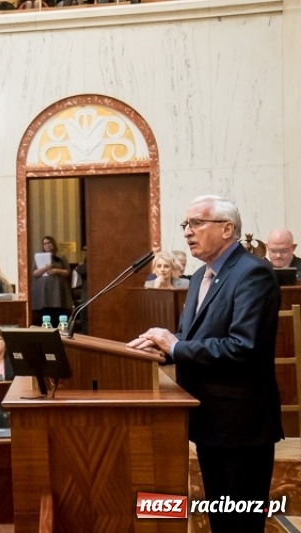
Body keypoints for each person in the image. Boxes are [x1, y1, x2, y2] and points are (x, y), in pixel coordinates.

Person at [127, 195, 282, 533]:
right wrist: (159, 349)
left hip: (242, 425)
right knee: (221, 521)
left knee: (241, 524)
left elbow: (243, 347)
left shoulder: (253, 273)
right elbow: (190, 339)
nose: (187, 232)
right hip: (207, 419)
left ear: (227, 229)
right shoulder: (199, 277)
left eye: (196, 223)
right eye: (186, 224)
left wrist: (175, 344)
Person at [29, 235, 73, 325]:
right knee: (45, 315)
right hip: (43, 293)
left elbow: (67, 272)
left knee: (58, 315)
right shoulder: (38, 257)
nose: (47, 245)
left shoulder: (61, 257)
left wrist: (56, 270)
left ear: (53, 244)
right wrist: (45, 268)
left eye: (49, 243)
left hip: (57, 292)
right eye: (45, 244)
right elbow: (34, 273)